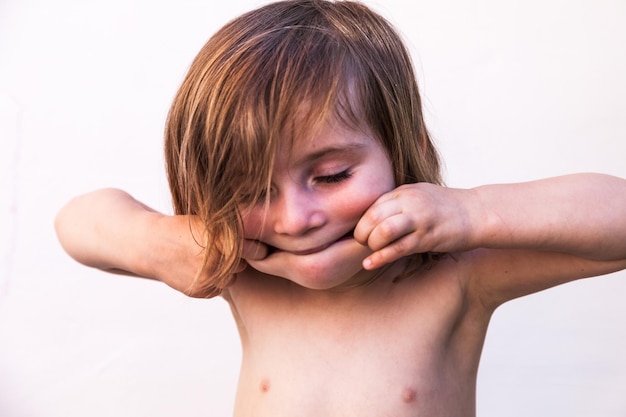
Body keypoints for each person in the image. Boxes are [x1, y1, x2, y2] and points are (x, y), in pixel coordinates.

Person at [54, 0, 626, 415]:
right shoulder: (246, 274)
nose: (295, 218)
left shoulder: (458, 274)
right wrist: (161, 243)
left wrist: (472, 211)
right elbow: (76, 224)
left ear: (405, 151)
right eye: (251, 191)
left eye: (330, 175)